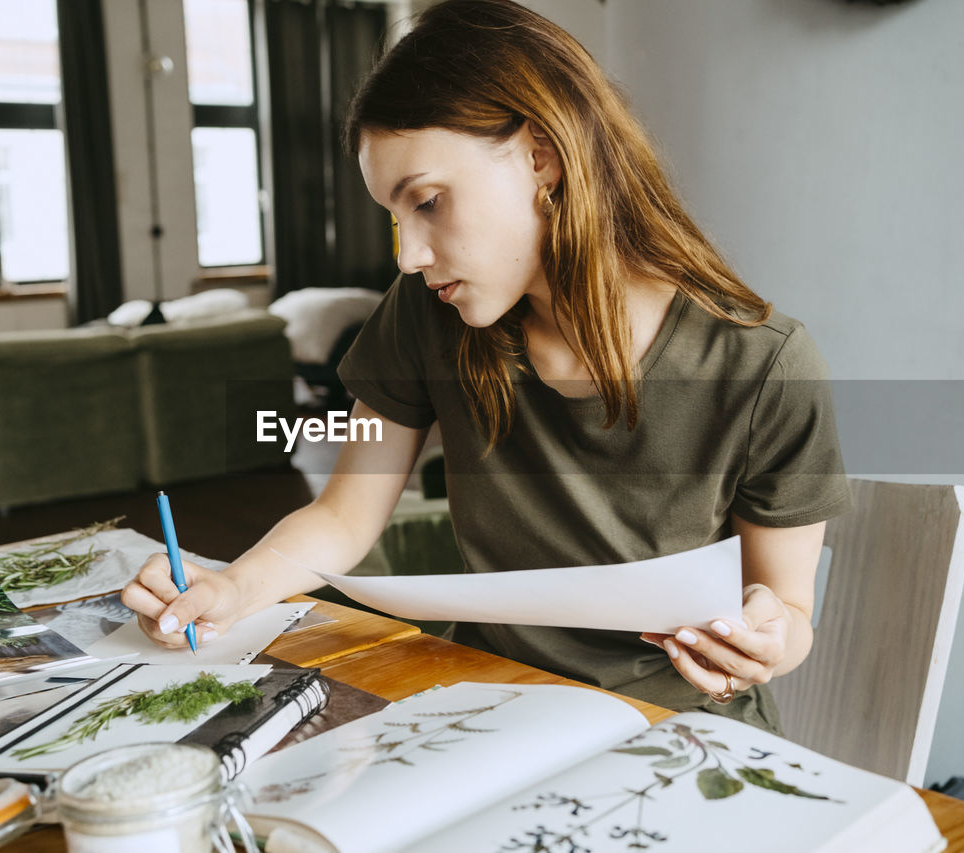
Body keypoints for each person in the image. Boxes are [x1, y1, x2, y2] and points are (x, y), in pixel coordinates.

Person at [122, 0, 849, 732]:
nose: (407, 254)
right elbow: (344, 514)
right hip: (490, 702)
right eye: (395, 217)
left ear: (541, 156)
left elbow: (786, 610)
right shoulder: (425, 315)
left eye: (429, 202)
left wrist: (767, 639)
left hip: (676, 728)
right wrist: (232, 587)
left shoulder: (764, 365)